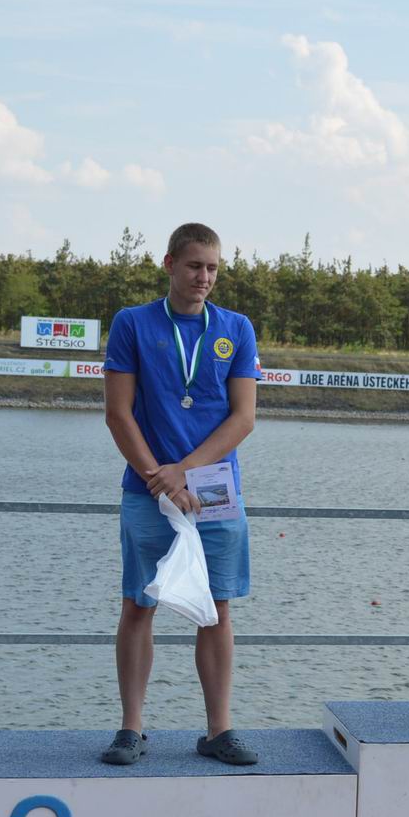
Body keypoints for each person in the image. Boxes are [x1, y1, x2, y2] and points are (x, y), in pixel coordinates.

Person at [99, 222, 261, 766]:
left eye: (212, 268)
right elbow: (118, 414)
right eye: (194, 266)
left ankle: (219, 730)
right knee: (138, 604)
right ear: (169, 264)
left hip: (214, 491)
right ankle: (131, 729)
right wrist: (158, 476)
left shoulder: (236, 328)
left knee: (216, 609)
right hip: (148, 488)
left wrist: (185, 473)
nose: (204, 277)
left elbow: (243, 418)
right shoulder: (132, 323)